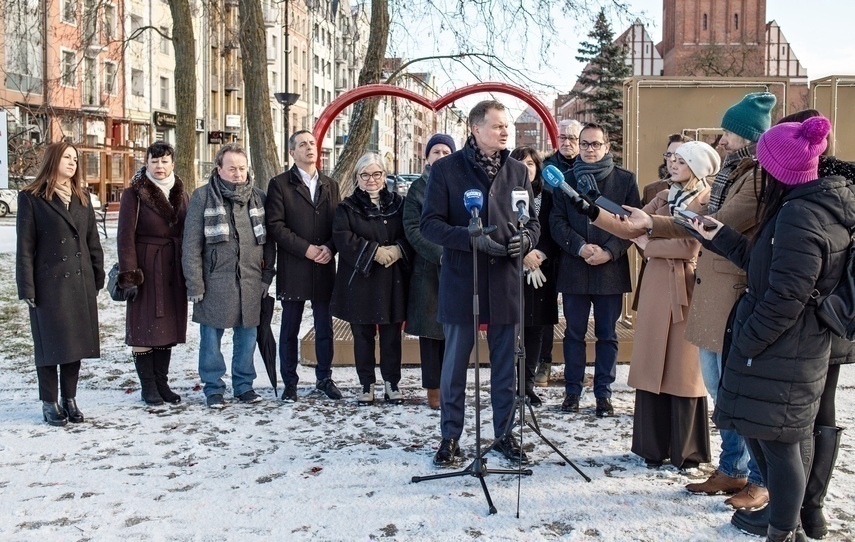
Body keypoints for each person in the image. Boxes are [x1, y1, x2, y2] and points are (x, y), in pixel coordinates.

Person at [690, 116, 852, 542]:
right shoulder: (796, 207)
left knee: (781, 450)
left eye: (764, 164)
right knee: (769, 440)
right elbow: (770, 270)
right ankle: (789, 527)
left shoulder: (802, 216)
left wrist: (746, 342)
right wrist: (722, 237)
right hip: (780, 347)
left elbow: (785, 297)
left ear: (780, 170)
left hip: (784, 349)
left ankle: (783, 532)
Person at [623, 92, 776, 509]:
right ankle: (732, 468)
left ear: (745, 135)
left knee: (737, 390)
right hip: (713, 292)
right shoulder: (734, 171)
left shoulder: (758, 175)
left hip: (732, 292)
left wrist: (651, 225)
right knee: (720, 388)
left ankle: (758, 478)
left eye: (727, 132)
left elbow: (715, 224)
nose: (721, 140)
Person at [585, 141, 720, 468]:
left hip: (685, 289)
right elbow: (633, 226)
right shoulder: (665, 194)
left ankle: (686, 450)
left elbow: (690, 247)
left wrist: (648, 243)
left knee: (683, 370)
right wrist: (593, 210)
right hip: (657, 285)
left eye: (681, 160)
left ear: (697, 167)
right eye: (671, 157)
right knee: (652, 368)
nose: (672, 163)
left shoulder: (707, 199)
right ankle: (652, 447)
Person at [421, 99, 540, 466]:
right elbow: (429, 224)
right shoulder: (446, 170)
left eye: (507, 126)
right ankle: (450, 438)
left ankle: (504, 434)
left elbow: (532, 220)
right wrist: (466, 237)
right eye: (499, 126)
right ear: (476, 129)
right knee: (455, 365)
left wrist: (528, 240)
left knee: (506, 366)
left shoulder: (519, 171)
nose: (506, 132)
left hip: (505, 280)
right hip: (463, 280)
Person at [549, 122, 641, 417]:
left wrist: (609, 251)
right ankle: (572, 391)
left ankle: (603, 393)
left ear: (606, 147)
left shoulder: (625, 180)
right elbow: (556, 221)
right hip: (575, 267)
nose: (589, 149)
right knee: (573, 334)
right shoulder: (563, 181)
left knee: (607, 335)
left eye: (595, 144)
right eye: (584, 143)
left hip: (609, 270)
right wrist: (578, 246)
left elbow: (633, 225)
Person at [16, 142, 105, 426]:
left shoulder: (82, 197)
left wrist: (97, 273)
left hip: (79, 280)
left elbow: (92, 239)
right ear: (53, 159)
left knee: (74, 344)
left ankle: (70, 399)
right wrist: (27, 287)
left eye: (75, 159)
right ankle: (49, 402)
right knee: (49, 345)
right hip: (48, 284)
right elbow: (25, 247)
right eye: (67, 157)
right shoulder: (31, 198)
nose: (72, 163)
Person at [182, 143, 276, 409]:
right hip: (215, 282)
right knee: (211, 339)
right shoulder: (202, 197)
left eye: (242, 168)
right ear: (219, 169)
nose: (238, 174)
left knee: (247, 337)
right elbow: (191, 245)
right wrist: (195, 283)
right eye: (232, 168)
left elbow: (269, 243)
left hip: (250, 280)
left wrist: (266, 276)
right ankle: (213, 388)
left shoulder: (259, 197)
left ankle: (244, 385)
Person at [330, 153, 412, 405]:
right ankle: (366, 383)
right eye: (365, 175)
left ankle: (391, 382)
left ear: (384, 176)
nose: (371, 180)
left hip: (392, 280)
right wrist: (374, 252)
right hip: (362, 280)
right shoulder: (347, 207)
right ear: (357, 178)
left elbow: (411, 231)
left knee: (391, 335)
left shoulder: (400, 203)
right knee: (362, 335)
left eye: (376, 174)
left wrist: (398, 249)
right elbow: (343, 238)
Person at [266, 130, 342, 403]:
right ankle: (290, 382)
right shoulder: (279, 184)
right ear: (292, 153)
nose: (310, 148)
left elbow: (339, 224)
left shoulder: (330, 184)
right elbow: (275, 225)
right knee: (290, 327)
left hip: (323, 265)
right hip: (294, 265)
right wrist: (306, 249)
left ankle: (324, 378)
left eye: (312, 143)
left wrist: (330, 247)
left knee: (324, 327)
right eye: (302, 144)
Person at [117, 141, 189, 406]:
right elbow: (125, 236)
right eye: (154, 161)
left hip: (173, 268)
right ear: (146, 163)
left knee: (165, 329)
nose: (160, 166)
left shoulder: (181, 192)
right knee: (143, 329)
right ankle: (148, 386)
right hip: (145, 267)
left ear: (173, 163)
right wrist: (130, 275)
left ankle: (162, 382)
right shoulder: (134, 194)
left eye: (165, 161)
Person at [403, 133, 456, 409]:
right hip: (428, 270)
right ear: (427, 157)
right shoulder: (417, 189)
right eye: (436, 151)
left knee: (454, 332)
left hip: (457, 269)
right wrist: (440, 254)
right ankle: (433, 389)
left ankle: (451, 386)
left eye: (446, 151)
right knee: (430, 334)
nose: (441, 156)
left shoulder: (460, 184)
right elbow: (413, 228)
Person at [534, 118, 583, 387]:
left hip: (577, 247)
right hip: (549, 247)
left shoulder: (587, 166)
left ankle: (574, 370)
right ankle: (544, 362)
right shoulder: (546, 169)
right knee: (546, 309)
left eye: (572, 138)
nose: (567, 142)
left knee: (576, 315)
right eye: (562, 137)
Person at [509, 146, 557, 408]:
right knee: (510, 330)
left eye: (530, 163)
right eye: (519, 163)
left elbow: (554, 231)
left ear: (537, 167)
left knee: (535, 330)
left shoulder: (548, 198)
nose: (525, 168)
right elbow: (501, 231)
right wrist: (523, 258)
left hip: (541, 272)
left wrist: (538, 256)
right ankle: (509, 385)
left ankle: (526, 386)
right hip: (509, 271)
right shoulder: (502, 194)